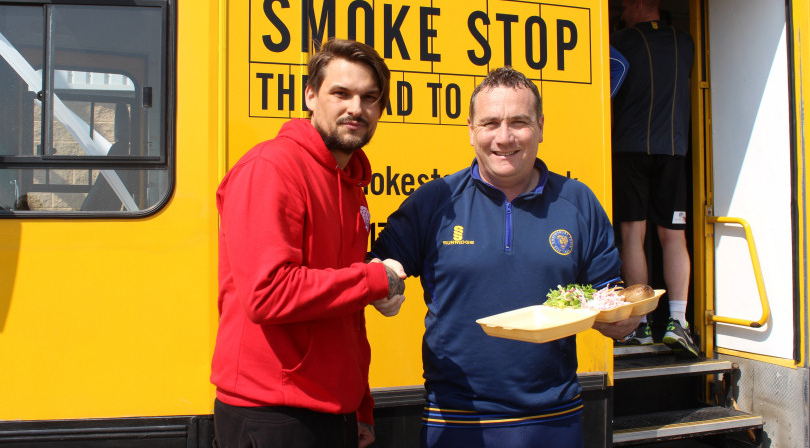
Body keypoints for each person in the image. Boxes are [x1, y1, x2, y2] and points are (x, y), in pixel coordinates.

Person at [369, 67, 638, 447]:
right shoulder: (435, 201)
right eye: (490, 123)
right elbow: (383, 265)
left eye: (519, 123)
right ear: (471, 130)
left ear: (540, 128)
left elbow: (609, 296)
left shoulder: (579, 203)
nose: (504, 137)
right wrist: (386, 282)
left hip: (555, 418)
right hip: (455, 420)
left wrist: (623, 320)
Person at [211, 38, 407, 448]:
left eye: (370, 97)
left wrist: (360, 406)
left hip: (332, 410)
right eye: (341, 93)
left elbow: (345, 315)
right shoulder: (270, 169)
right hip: (271, 414)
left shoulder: (351, 182)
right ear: (311, 96)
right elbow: (267, 294)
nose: (356, 107)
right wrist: (373, 280)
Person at [610, 0, 698, 357]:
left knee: (633, 234)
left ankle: (643, 323)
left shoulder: (623, 43)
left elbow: (608, 88)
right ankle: (678, 322)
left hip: (630, 148)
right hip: (674, 150)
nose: (624, 16)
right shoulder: (686, 42)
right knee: (673, 237)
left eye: (627, 8)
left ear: (639, 6)